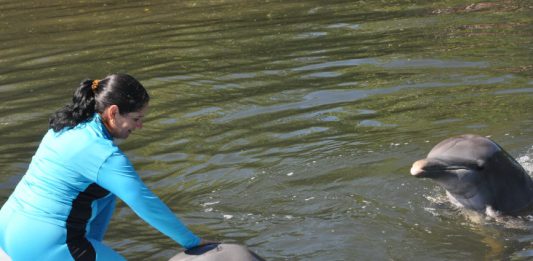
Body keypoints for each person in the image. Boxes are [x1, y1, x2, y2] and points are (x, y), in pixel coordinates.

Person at [0, 74, 210, 260]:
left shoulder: (63, 127)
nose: (139, 126)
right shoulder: (104, 155)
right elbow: (144, 203)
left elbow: (101, 202)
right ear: (113, 112)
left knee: (104, 193)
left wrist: (93, 247)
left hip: (6, 233)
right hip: (43, 244)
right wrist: (192, 242)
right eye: (136, 119)